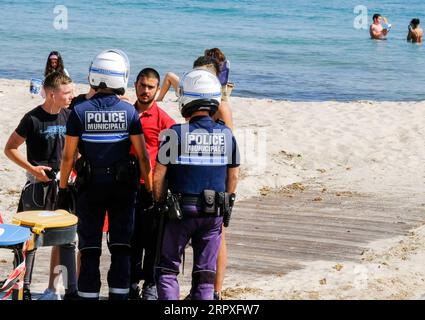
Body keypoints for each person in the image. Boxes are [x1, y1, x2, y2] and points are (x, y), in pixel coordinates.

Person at [58, 49, 152, 300]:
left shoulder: (80, 111)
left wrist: (63, 188)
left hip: (90, 188)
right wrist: (149, 189)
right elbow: (143, 156)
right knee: (121, 247)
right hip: (122, 188)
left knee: (89, 248)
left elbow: (67, 157)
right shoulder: (129, 112)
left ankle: (88, 296)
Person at [154, 68, 240, 300]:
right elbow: (233, 177)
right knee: (205, 274)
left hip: (180, 212)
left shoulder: (174, 133)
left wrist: (159, 201)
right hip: (213, 212)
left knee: (167, 269)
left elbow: (158, 175)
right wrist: (227, 204)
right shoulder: (227, 135)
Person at [4, 71, 78, 300]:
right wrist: (32, 169)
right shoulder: (32, 118)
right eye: (66, 93)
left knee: (66, 239)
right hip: (37, 187)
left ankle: (65, 289)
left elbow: (76, 150)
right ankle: (23, 288)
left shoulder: (70, 116)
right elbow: (10, 148)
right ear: (51, 94)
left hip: (63, 185)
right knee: (29, 241)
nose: (71, 96)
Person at [128, 68, 175, 300]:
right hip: (127, 186)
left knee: (153, 240)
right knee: (131, 239)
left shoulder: (164, 120)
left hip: (153, 189)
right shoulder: (126, 113)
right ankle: (131, 282)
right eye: (142, 85)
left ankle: (150, 283)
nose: (145, 90)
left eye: (151, 87)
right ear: (135, 85)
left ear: (157, 90)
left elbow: (174, 153)